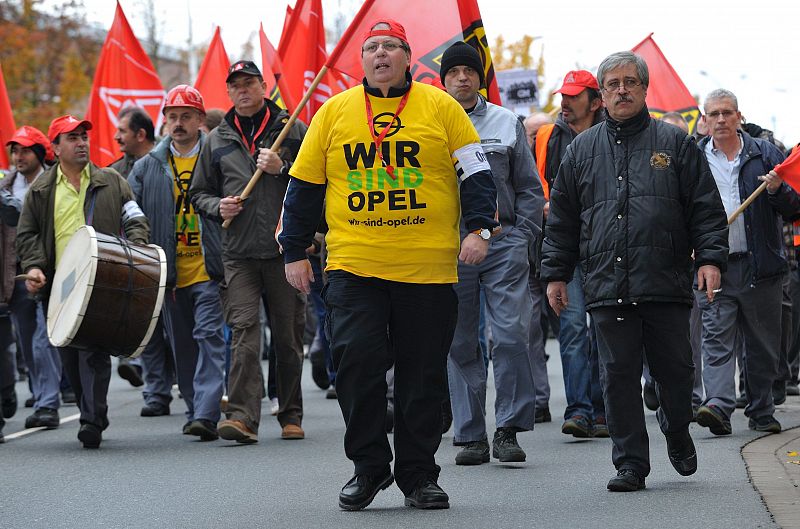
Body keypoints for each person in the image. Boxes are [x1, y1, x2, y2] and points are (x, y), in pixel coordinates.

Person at [278, 19, 498, 510]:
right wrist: (294, 250)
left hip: (428, 271)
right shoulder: (333, 113)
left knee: (422, 378)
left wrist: (479, 229)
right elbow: (304, 188)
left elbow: (477, 175)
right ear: (362, 60)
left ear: (407, 56)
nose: (380, 54)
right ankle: (369, 468)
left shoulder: (441, 107)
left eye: (390, 47)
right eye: (371, 47)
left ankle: (419, 476)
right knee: (356, 369)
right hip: (355, 268)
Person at [540, 51, 729, 492]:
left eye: (630, 82)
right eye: (612, 84)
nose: (621, 89)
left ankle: (677, 428)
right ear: (601, 95)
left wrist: (710, 260)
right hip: (606, 283)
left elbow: (705, 208)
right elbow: (563, 220)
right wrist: (555, 274)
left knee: (677, 374)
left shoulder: (675, 142)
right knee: (618, 376)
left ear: (644, 89)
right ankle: (630, 464)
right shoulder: (581, 150)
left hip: (665, 282)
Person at [438, 41, 544, 466]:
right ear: (442, 79)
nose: (462, 77)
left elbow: (530, 188)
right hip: (450, 248)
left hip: (503, 244)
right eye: (454, 72)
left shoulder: (506, 121)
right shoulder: (429, 122)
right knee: (459, 339)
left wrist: (523, 237)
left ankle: (508, 429)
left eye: (470, 71)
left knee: (512, 334)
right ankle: (471, 435)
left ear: (481, 78)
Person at [191, 60, 307, 443]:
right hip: (237, 254)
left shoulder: (291, 130)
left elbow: (318, 181)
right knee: (244, 332)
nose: (243, 90)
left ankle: (290, 413)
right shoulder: (216, 139)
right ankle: (242, 417)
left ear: (263, 86)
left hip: (282, 249)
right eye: (235, 85)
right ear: (228, 92)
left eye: (249, 83)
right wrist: (216, 206)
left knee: (288, 337)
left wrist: (282, 167)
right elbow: (198, 193)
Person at [16, 115, 149, 448]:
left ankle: (91, 419)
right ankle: (94, 411)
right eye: (71, 138)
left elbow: (134, 217)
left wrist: (138, 245)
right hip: (59, 285)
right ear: (56, 147)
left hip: (103, 280)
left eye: (83, 137)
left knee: (93, 351)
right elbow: (27, 233)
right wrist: (33, 267)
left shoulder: (111, 180)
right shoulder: (41, 190)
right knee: (68, 355)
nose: (81, 143)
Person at [695, 89, 799, 436]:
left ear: (739, 116)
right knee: (716, 338)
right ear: (704, 120)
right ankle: (719, 406)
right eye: (714, 114)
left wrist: (775, 190)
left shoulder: (764, 154)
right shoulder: (693, 159)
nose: (721, 119)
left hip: (761, 267)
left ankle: (761, 410)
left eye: (727, 112)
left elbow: (793, 207)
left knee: (763, 345)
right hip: (714, 266)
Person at [129, 85, 226, 440]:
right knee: (182, 345)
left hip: (210, 268)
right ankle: (194, 408)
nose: (179, 123)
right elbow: (132, 213)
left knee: (210, 337)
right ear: (164, 121)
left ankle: (207, 411)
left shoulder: (217, 158)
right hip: (168, 274)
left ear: (201, 120)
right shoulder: (146, 167)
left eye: (186, 116)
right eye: (172, 117)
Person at [533, 70, 608, 438]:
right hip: (567, 249)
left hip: (609, 249)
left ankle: (602, 408)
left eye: (574, 96)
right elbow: (533, 185)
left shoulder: (615, 135)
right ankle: (579, 409)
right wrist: (543, 205)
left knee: (605, 330)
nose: (564, 102)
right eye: (563, 95)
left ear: (595, 102)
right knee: (574, 328)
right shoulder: (546, 136)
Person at [3, 127, 62, 431]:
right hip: (15, 276)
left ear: (40, 154)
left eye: (25, 150)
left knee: (43, 339)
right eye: (15, 151)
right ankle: (41, 396)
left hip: (48, 273)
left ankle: (48, 403)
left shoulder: (56, 182)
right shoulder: (6, 185)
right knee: (27, 341)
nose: (18, 156)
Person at [110, 106, 156, 389]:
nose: (116, 137)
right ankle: (153, 387)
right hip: (132, 256)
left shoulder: (165, 162)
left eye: (122, 131)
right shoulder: (114, 173)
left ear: (140, 134)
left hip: (167, 254)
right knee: (139, 316)